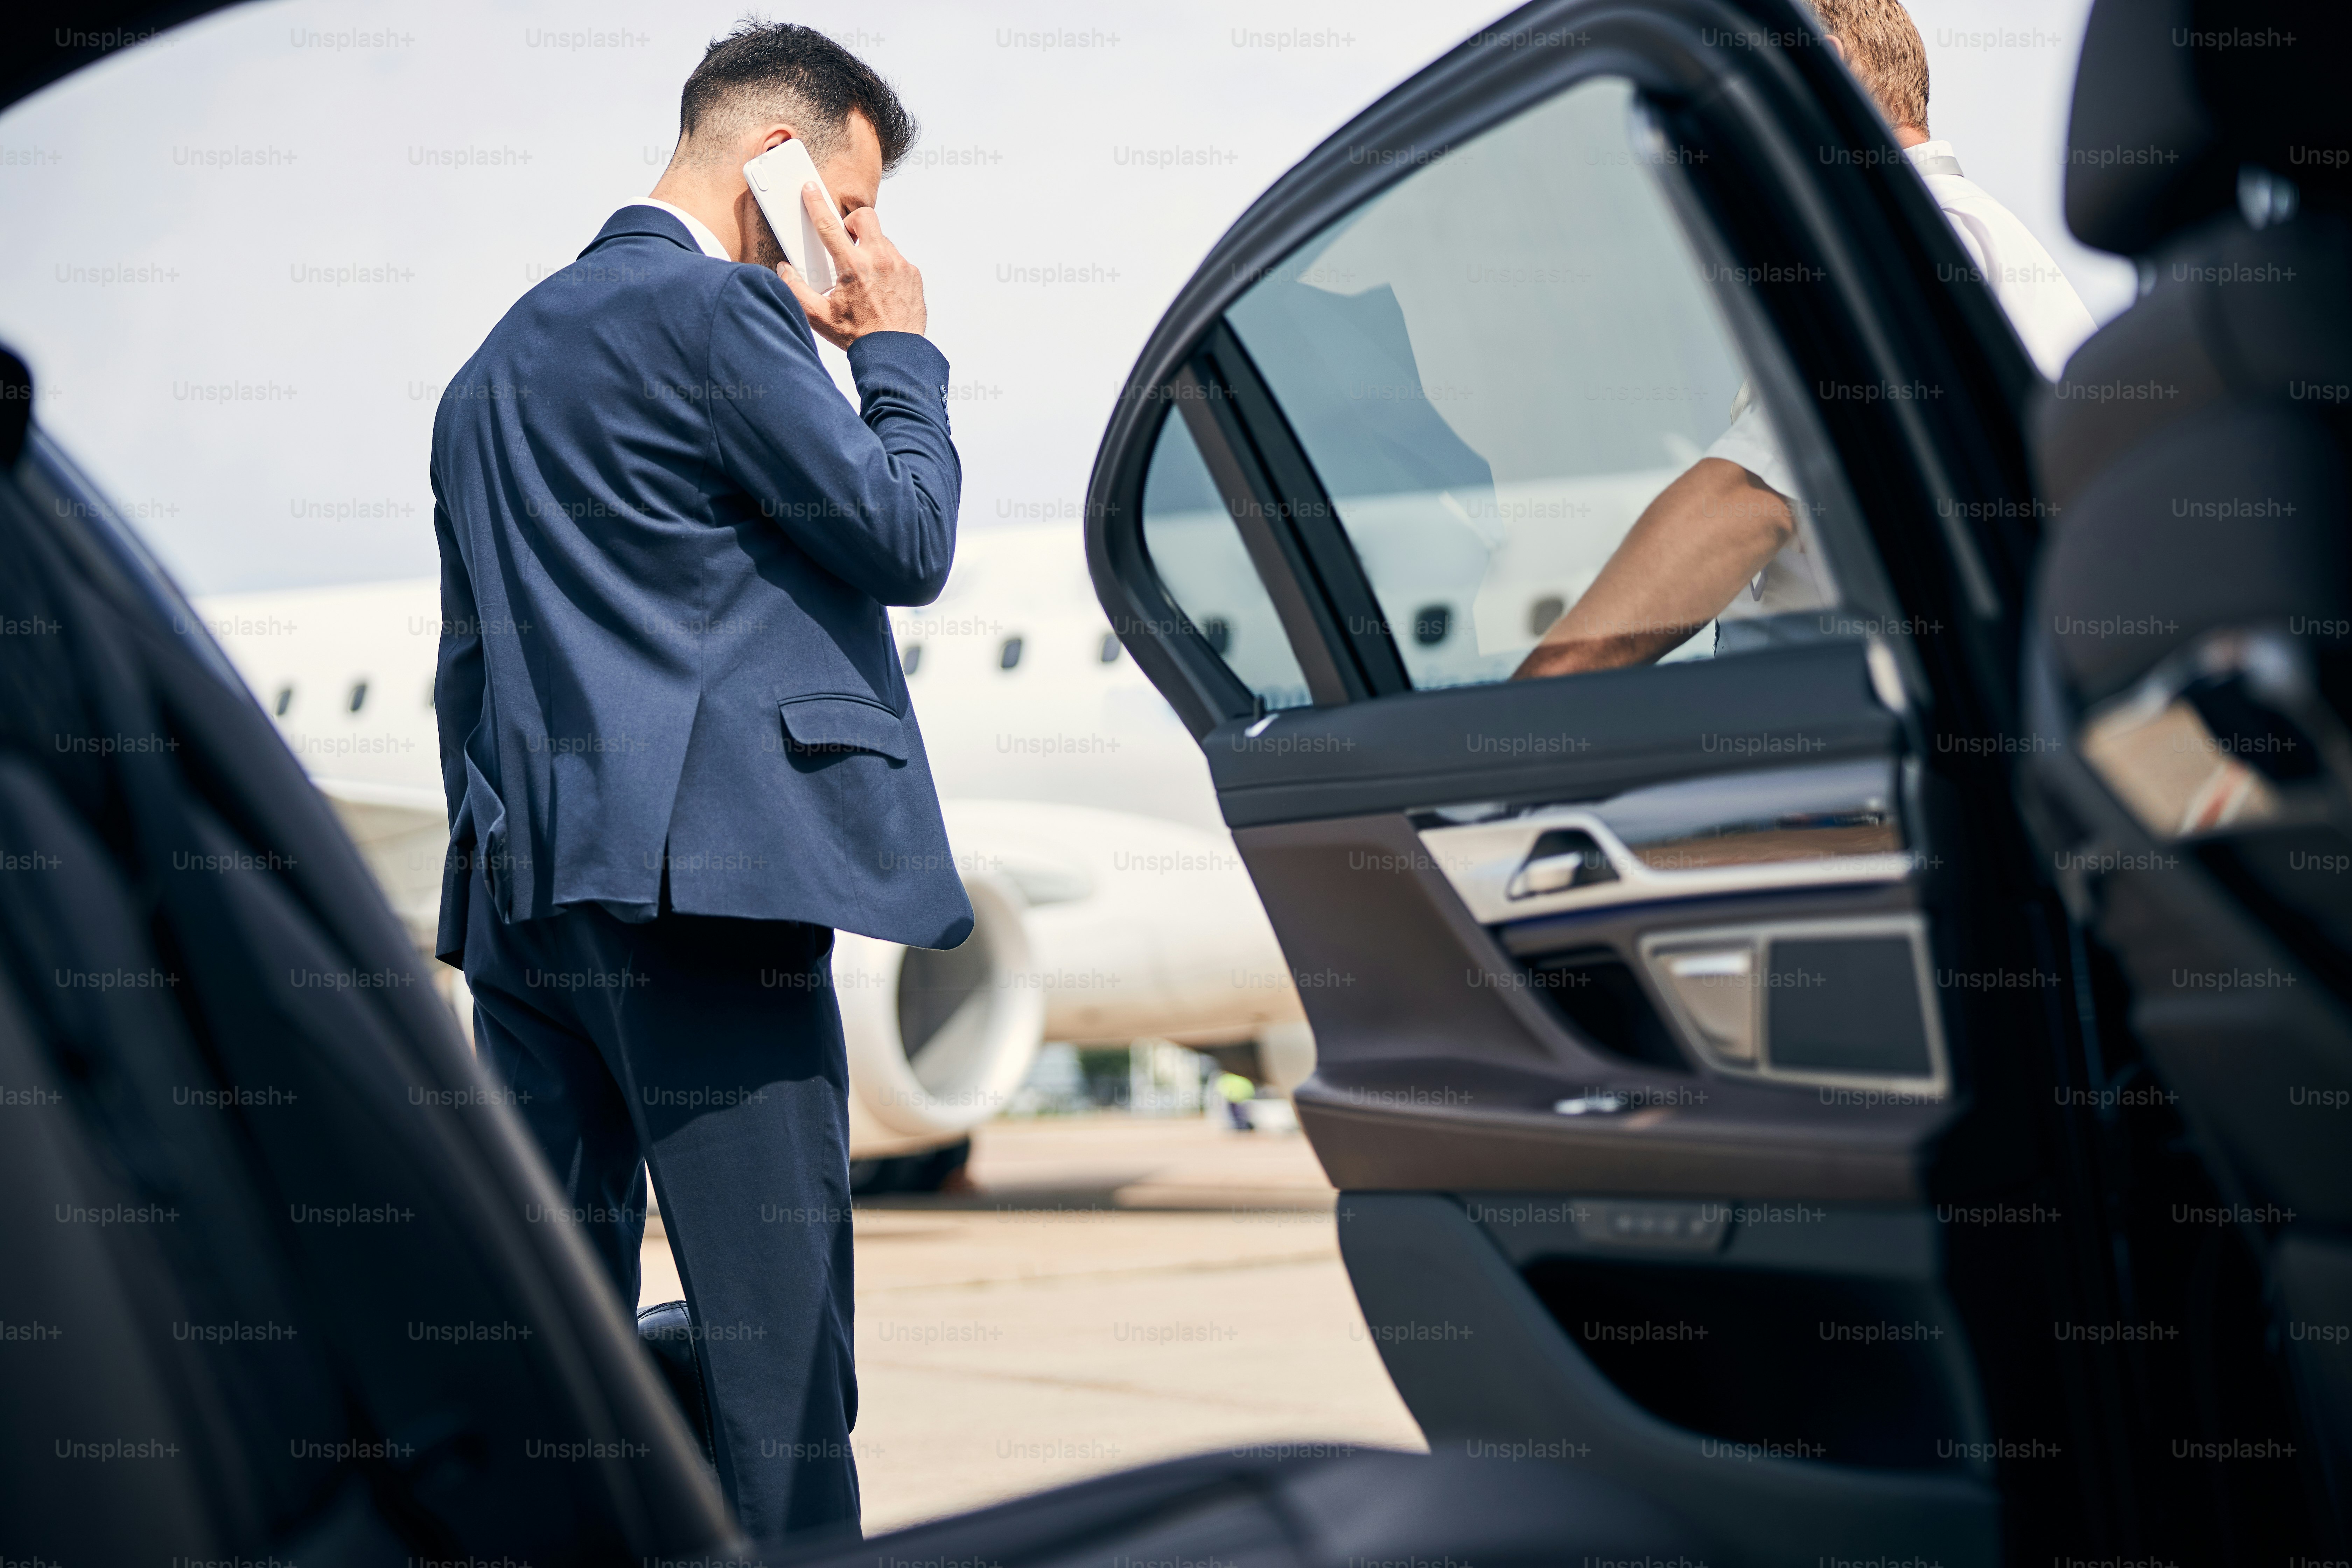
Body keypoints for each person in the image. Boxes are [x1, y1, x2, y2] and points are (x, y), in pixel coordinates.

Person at [428, 22, 968, 1544]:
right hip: (711, 901)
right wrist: (897, 352)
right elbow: (906, 537)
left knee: (560, 1357)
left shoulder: (485, 371)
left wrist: (493, 910)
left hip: (529, 916)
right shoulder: (726, 319)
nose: (865, 239)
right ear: (778, 164)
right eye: (852, 204)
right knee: (782, 1376)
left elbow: (469, 674)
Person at [1514, 0, 2094, 680]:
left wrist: (1528, 701)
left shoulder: (1907, 247)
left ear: (1831, 67)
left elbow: (1748, 501)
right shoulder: (1959, 237)